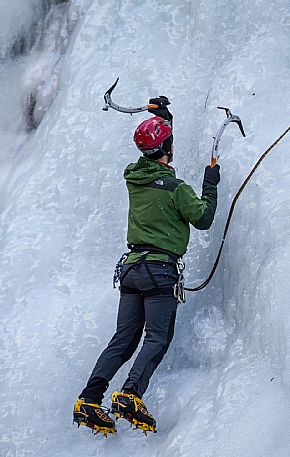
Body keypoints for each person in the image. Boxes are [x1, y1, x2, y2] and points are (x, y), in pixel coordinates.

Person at [73, 97, 220, 436]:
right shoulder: (175, 188)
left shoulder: (135, 179)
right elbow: (203, 218)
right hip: (159, 272)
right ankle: (129, 394)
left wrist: (164, 119)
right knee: (157, 337)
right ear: (166, 147)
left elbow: (159, 157)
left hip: (132, 270)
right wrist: (210, 184)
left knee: (123, 339)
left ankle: (89, 398)